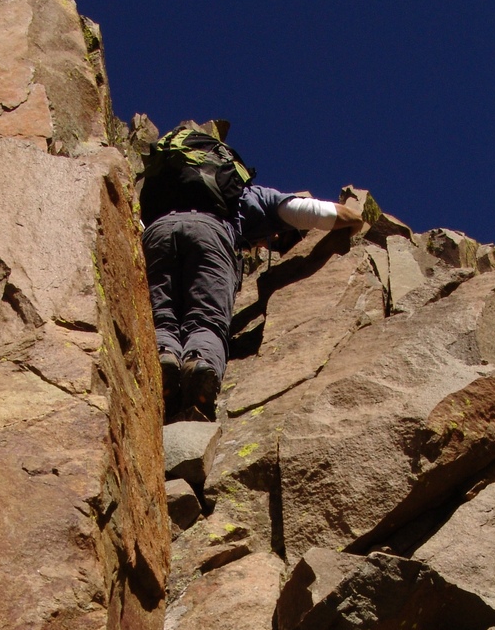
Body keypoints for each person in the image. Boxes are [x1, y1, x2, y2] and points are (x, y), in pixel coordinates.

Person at [141, 129, 364, 421]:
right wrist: (356, 219)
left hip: (155, 234)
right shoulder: (244, 194)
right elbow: (308, 210)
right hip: (211, 233)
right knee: (206, 320)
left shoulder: (161, 190)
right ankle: (200, 369)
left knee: (162, 317)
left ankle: (163, 359)